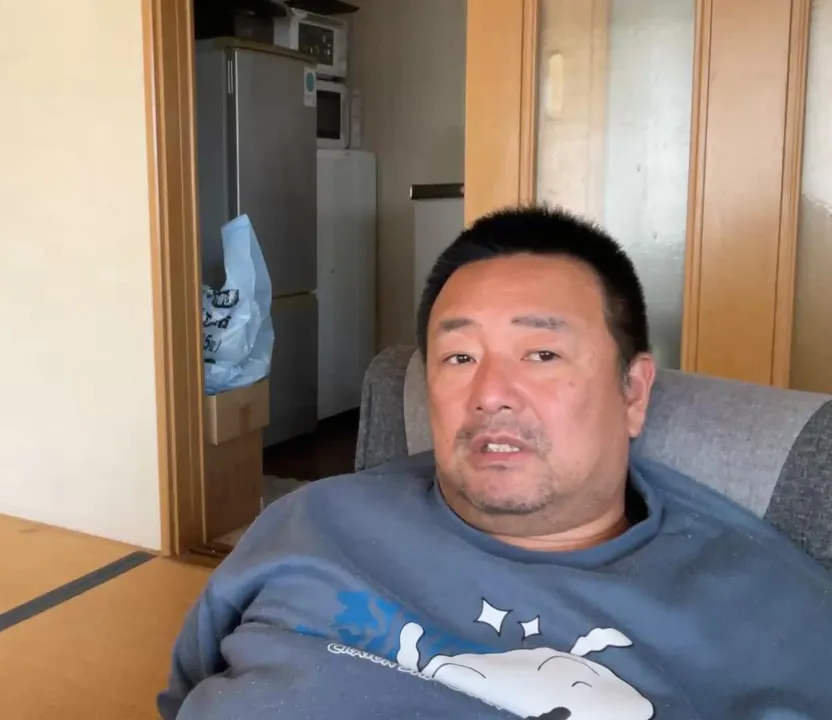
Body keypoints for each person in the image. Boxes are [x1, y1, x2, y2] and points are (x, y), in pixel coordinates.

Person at [157, 206, 832, 720]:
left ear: (632, 391)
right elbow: (184, 691)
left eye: (541, 354)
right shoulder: (307, 521)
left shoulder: (779, 619)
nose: (490, 394)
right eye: (459, 357)